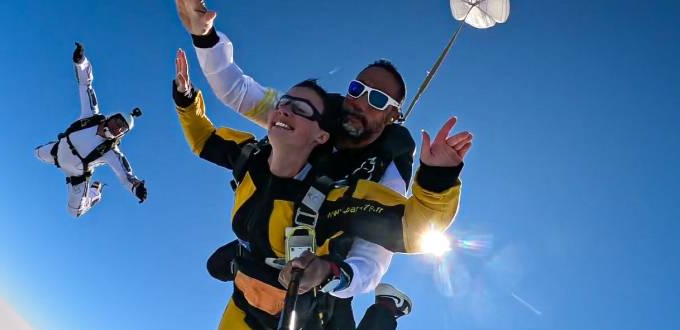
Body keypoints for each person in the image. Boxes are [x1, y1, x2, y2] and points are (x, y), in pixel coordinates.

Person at [174, 1, 472, 328]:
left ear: (393, 116)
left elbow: (382, 248)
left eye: (376, 100)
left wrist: (437, 178)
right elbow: (239, 92)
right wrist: (205, 38)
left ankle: (386, 306)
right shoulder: (310, 112)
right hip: (264, 261)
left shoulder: (382, 167)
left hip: (327, 267)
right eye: (357, 89)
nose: (359, 102)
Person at [34, 43, 147, 217]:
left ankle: (94, 194)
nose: (117, 127)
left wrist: (136, 187)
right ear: (110, 117)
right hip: (58, 151)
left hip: (77, 177)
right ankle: (57, 145)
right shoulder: (91, 116)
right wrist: (81, 62)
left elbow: (126, 175)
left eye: (122, 128)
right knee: (36, 153)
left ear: (121, 135)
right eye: (117, 121)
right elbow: (86, 85)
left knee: (74, 212)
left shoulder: (111, 152)